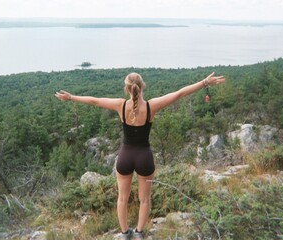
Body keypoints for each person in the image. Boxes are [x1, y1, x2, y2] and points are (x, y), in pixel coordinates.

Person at [55, 72, 225, 239]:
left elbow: (94, 101)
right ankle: (138, 233)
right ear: (143, 86)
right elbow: (180, 93)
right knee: (144, 199)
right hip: (144, 157)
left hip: (125, 157)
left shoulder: (120, 105)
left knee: (122, 198)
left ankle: (123, 233)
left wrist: (71, 97)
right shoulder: (151, 106)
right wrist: (204, 82)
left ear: (126, 88)